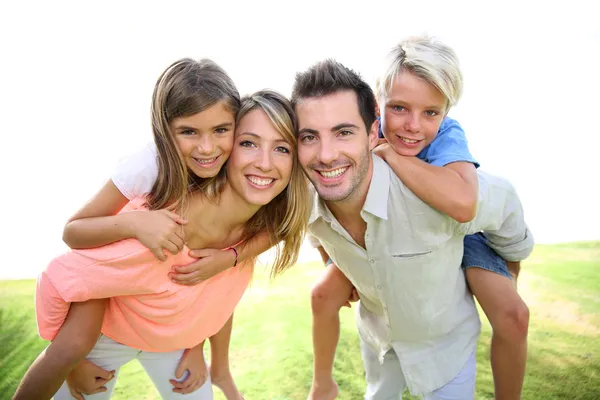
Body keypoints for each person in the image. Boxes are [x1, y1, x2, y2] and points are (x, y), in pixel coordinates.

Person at [13, 89, 309, 399]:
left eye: (282, 148)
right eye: (249, 143)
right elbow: (65, 274)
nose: (264, 163)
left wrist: (197, 342)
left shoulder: (263, 222)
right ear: (228, 150)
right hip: (106, 337)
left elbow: (218, 292)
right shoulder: (169, 225)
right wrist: (71, 357)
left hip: (174, 345)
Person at [292, 59, 534, 399]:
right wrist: (338, 263)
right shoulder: (307, 191)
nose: (412, 126)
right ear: (380, 113)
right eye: (400, 108)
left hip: (448, 341)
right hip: (381, 338)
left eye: (344, 132)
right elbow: (315, 229)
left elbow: (485, 203)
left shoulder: (447, 170)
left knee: (512, 315)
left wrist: (510, 265)